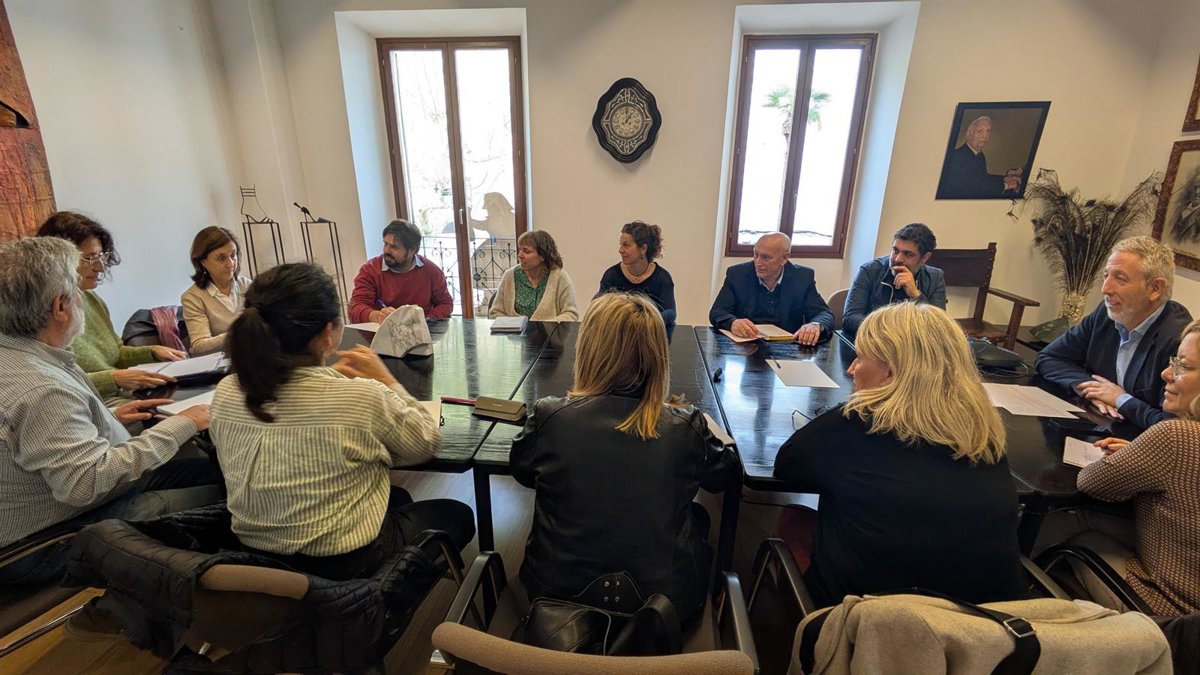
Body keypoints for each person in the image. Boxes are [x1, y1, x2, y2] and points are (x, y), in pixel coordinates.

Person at [211, 262, 474, 580]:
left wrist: (328, 384)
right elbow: (425, 442)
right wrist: (387, 380)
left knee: (398, 498)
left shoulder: (227, 391)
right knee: (458, 515)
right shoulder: (361, 397)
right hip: (344, 564)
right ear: (328, 334)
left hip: (256, 561)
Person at [774, 302, 1025, 607]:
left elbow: (787, 466)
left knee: (796, 518)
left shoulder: (853, 424)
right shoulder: (983, 432)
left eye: (860, 358)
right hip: (984, 626)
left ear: (891, 372)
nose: (851, 369)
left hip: (873, 623)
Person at [0, 237, 220, 585]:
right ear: (60, 307)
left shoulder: (20, 356)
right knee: (228, 495)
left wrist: (108, 419)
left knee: (214, 469)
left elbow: (37, 439)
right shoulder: (43, 388)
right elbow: (85, 485)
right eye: (77, 290)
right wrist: (183, 423)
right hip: (44, 542)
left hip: (67, 500)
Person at [511, 293, 735, 623]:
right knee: (697, 517)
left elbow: (522, 471)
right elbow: (724, 475)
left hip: (554, 600)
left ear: (588, 349)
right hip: (664, 610)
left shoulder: (550, 417)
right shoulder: (684, 426)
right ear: (658, 355)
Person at [1069, 318, 1200, 616]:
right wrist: (1142, 456)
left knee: (1059, 528)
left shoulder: (1177, 437)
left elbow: (1091, 482)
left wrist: (1143, 455)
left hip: (1167, 612)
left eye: (1183, 367)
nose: (1166, 373)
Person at [1035, 236, 1193, 430]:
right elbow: (1049, 358)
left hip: (1140, 441)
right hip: (1101, 426)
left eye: (1120, 278)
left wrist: (1120, 399)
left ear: (1155, 289)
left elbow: (1174, 426)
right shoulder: (1107, 314)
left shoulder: (1180, 340)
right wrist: (1090, 388)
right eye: (1106, 275)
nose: (1105, 289)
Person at [37, 211, 186, 404]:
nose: (100, 267)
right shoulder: (42, 313)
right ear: (59, 260)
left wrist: (152, 351)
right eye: (90, 258)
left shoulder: (92, 299)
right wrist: (114, 379)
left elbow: (115, 353)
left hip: (121, 393)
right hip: (92, 401)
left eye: (101, 257)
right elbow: (55, 381)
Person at [708, 232, 833, 345]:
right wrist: (733, 322)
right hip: (747, 346)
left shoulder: (802, 278)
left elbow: (824, 313)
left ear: (784, 258)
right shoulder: (737, 274)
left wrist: (814, 325)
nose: (758, 263)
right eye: (756, 255)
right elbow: (718, 311)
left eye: (766, 257)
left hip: (787, 347)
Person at [842, 223, 947, 336]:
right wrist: (890, 333)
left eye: (908, 254)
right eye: (895, 250)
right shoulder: (870, 271)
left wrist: (916, 295)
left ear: (925, 257)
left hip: (912, 344)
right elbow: (850, 319)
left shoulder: (935, 277)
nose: (897, 259)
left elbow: (939, 327)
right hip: (873, 340)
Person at [349, 219, 453, 324]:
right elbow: (355, 308)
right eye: (385, 244)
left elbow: (445, 304)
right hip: (382, 330)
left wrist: (426, 321)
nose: (387, 250)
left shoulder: (431, 271)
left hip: (422, 329)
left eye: (394, 247)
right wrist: (376, 316)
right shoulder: (370, 270)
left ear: (412, 250)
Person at [180, 226, 252, 355]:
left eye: (233, 255)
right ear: (203, 262)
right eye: (221, 258)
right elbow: (199, 346)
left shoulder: (247, 285)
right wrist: (238, 333)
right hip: (223, 362)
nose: (231, 263)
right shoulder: (192, 297)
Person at [596, 220, 676, 326]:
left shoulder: (662, 278)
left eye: (626, 245)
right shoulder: (611, 275)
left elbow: (671, 312)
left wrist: (646, 322)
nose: (620, 250)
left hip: (651, 333)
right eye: (620, 244)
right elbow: (598, 306)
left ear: (643, 249)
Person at [489, 230, 578, 321]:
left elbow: (570, 314)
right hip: (514, 331)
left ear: (543, 256)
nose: (520, 255)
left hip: (550, 331)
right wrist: (513, 325)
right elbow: (495, 312)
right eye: (520, 250)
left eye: (526, 251)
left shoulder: (560, 277)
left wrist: (545, 327)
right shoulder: (509, 276)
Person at [938, 116, 1022, 198]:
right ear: (969, 133)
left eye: (988, 131)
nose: (985, 136)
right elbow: (975, 188)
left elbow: (984, 178)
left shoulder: (980, 155)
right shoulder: (957, 157)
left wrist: (1004, 178)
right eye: (980, 131)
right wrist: (1006, 185)